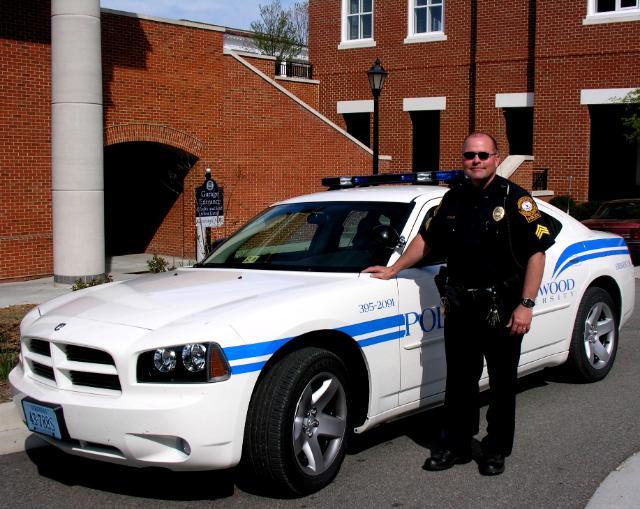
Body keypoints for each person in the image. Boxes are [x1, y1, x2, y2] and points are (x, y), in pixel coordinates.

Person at [363, 132, 554, 476]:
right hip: (461, 305)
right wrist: (394, 268)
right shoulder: (452, 200)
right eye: (470, 155)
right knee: (460, 382)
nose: (476, 161)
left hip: (503, 307)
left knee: (501, 382)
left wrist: (526, 304)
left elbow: (536, 254)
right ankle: (458, 444)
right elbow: (426, 238)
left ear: (497, 158)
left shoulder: (517, 200)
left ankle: (496, 448)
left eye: (483, 155)